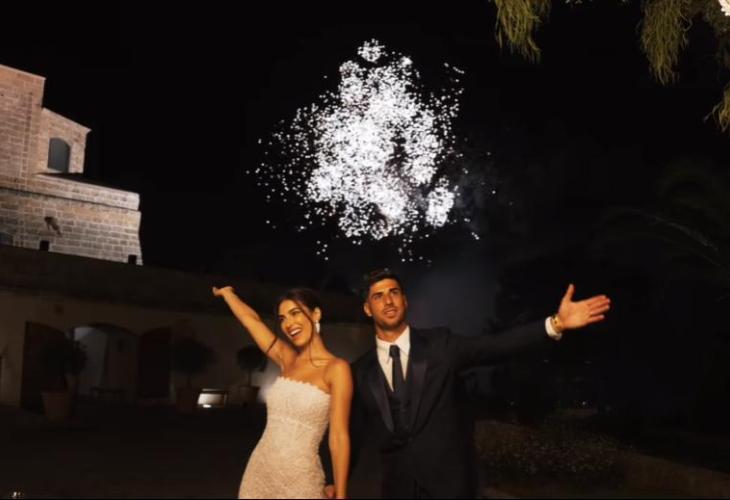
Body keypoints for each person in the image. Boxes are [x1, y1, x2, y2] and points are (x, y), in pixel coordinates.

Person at [345, 268, 611, 498]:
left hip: (449, 486)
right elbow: (346, 431)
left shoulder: (441, 345)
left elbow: (495, 346)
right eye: (378, 296)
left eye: (394, 292)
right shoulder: (359, 371)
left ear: (405, 300)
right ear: (367, 309)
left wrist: (556, 324)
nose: (388, 301)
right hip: (396, 489)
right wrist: (334, 480)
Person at [212, 286, 353, 499]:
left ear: (316, 314)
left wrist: (342, 495)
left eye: (295, 313)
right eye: (282, 318)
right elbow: (252, 321)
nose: (288, 323)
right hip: (260, 472)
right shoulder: (286, 358)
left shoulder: (337, 369)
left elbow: (339, 437)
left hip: (300, 480)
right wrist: (228, 294)